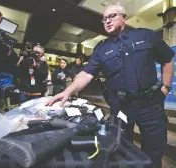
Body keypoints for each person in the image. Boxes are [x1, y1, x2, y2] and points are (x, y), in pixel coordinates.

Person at [47, 3, 175, 168]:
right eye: (104, 18)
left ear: (124, 17)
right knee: (120, 149)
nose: (107, 21)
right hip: (121, 107)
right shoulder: (101, 48)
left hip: (150, 105)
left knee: (154, 153)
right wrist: (68, 91)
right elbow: (86, 73)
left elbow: (168, 59)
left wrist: (165, 87)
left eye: (112, 16)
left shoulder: (145, 35)